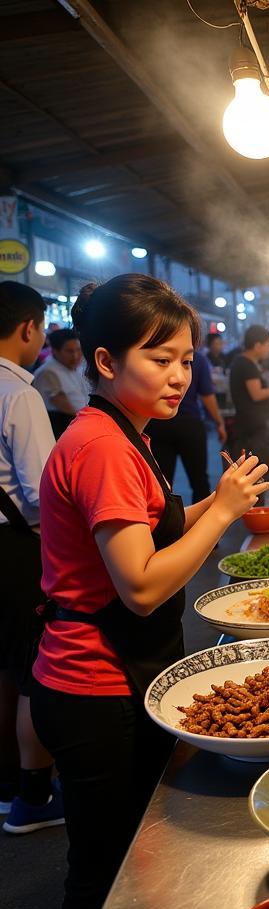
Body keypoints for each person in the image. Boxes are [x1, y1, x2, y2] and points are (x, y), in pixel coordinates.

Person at [30, 273, 269, 909]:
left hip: (118, 674)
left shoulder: (123, 433)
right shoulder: (102, 446)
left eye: (187, 360)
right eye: (158, 358)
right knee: (100, 873)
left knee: (134, 857)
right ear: (105, 362)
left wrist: (219, 504)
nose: (178, 376)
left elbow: (152, 532)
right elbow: (139, 585)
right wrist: (221, 513)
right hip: (92, 684)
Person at [0, 282, 61, 835]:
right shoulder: (18, 391)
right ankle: (33, 798)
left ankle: (5, 786)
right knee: (33, 672)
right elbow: (44, 491)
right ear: (28, 328)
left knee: (3, 663)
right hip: (16, 549)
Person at [146, 333, 226, 501]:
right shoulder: (198, 359)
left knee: (162, 483)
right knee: (198, 481)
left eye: (186, 363)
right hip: (189, 425)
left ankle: (166, 525)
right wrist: (219, 422)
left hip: (158, 424)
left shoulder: (157, 356)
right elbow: (207, 395)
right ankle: (201, 525)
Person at [229, 325, 269, 493]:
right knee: (257, 477)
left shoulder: (243, 362)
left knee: (257, 476)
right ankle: (256, 515)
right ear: (257, 345)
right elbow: (257, 394)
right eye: (268, 345)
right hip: (252, 431)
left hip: (251, 427)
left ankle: (257, 512)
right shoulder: (246, 364)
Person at [33, 328, 90, 437]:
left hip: (82, 421)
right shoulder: (48, 372)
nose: (76, 356)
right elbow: (63, 404)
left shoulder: (78, 367)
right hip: (63, 427)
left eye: (78, 350)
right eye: (70, 351)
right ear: (55, 351)